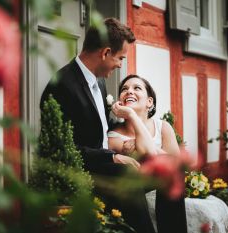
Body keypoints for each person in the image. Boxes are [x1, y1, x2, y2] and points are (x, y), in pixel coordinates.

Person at [40, 18, 156, 233]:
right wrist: (111, 157)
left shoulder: (99, 82)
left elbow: (99, 125)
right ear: (105, 53)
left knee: (164, 172)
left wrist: (124, 141)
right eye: (120, 58)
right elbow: (66, 149)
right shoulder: (63, 85)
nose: (121, 64)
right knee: (127, 175)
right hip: (84, 169)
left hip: (105, 163)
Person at [108, 74, 188, 233]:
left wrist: (152, 149)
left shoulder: (163, 127)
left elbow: (176, 166)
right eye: (124, 89)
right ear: (120, 101)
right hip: (136, 187)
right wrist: (131, 115)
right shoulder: (113, 136)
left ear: (149, 102)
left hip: (164, 190)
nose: (129, 91)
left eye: (136, 88)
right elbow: (149, 154)